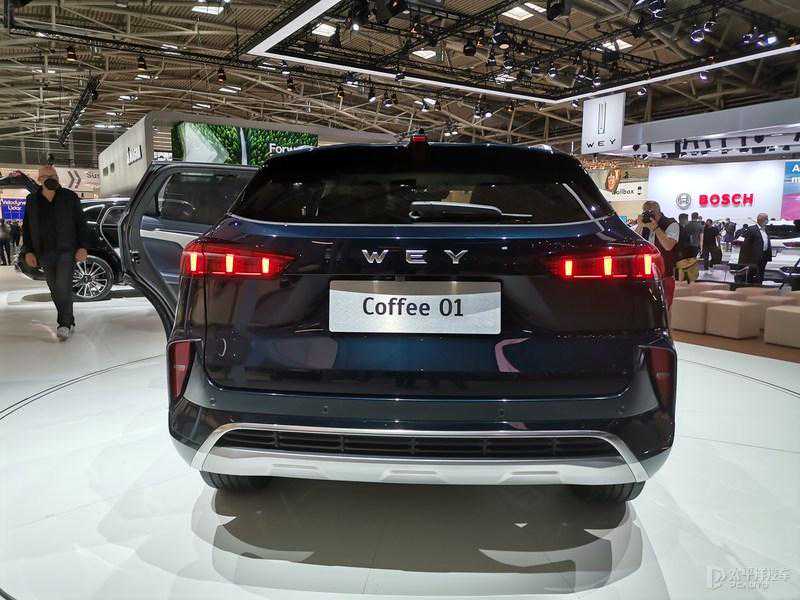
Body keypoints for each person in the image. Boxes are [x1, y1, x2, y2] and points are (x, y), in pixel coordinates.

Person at [20, 165, 90, 341]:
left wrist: (83, 246)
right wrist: (28, 251)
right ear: (39, 179)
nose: (51, 178)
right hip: (44, 252)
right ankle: (69, 320)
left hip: (67, 250)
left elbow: (81, 223)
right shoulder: (32, 200)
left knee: (63, 286)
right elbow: (27, 228)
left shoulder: (69, 197)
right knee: (54, 289)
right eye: (46, 176)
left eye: (54, 175)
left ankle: (63, 324)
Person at [634, 201, 679, 307]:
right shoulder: (644, 225)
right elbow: (634, 244)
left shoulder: (671, 224)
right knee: (645, 307)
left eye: (651, 212)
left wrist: (655, 228)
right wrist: (640, 226)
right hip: (645, 274)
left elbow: (668, 246)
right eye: (646, 212)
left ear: (658, 212)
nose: (649, 215)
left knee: (665, 307)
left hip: (665, 274)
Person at [736, 213, 772, 284]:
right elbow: (745, 243)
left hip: (764, 255)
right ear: (761, 220)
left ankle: (759, 285)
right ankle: (751, 286)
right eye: (766, 219)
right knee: (752, 272)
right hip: (754, 256)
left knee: (761, 272)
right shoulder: (752, 229)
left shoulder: (766, 229)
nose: (767, 220)